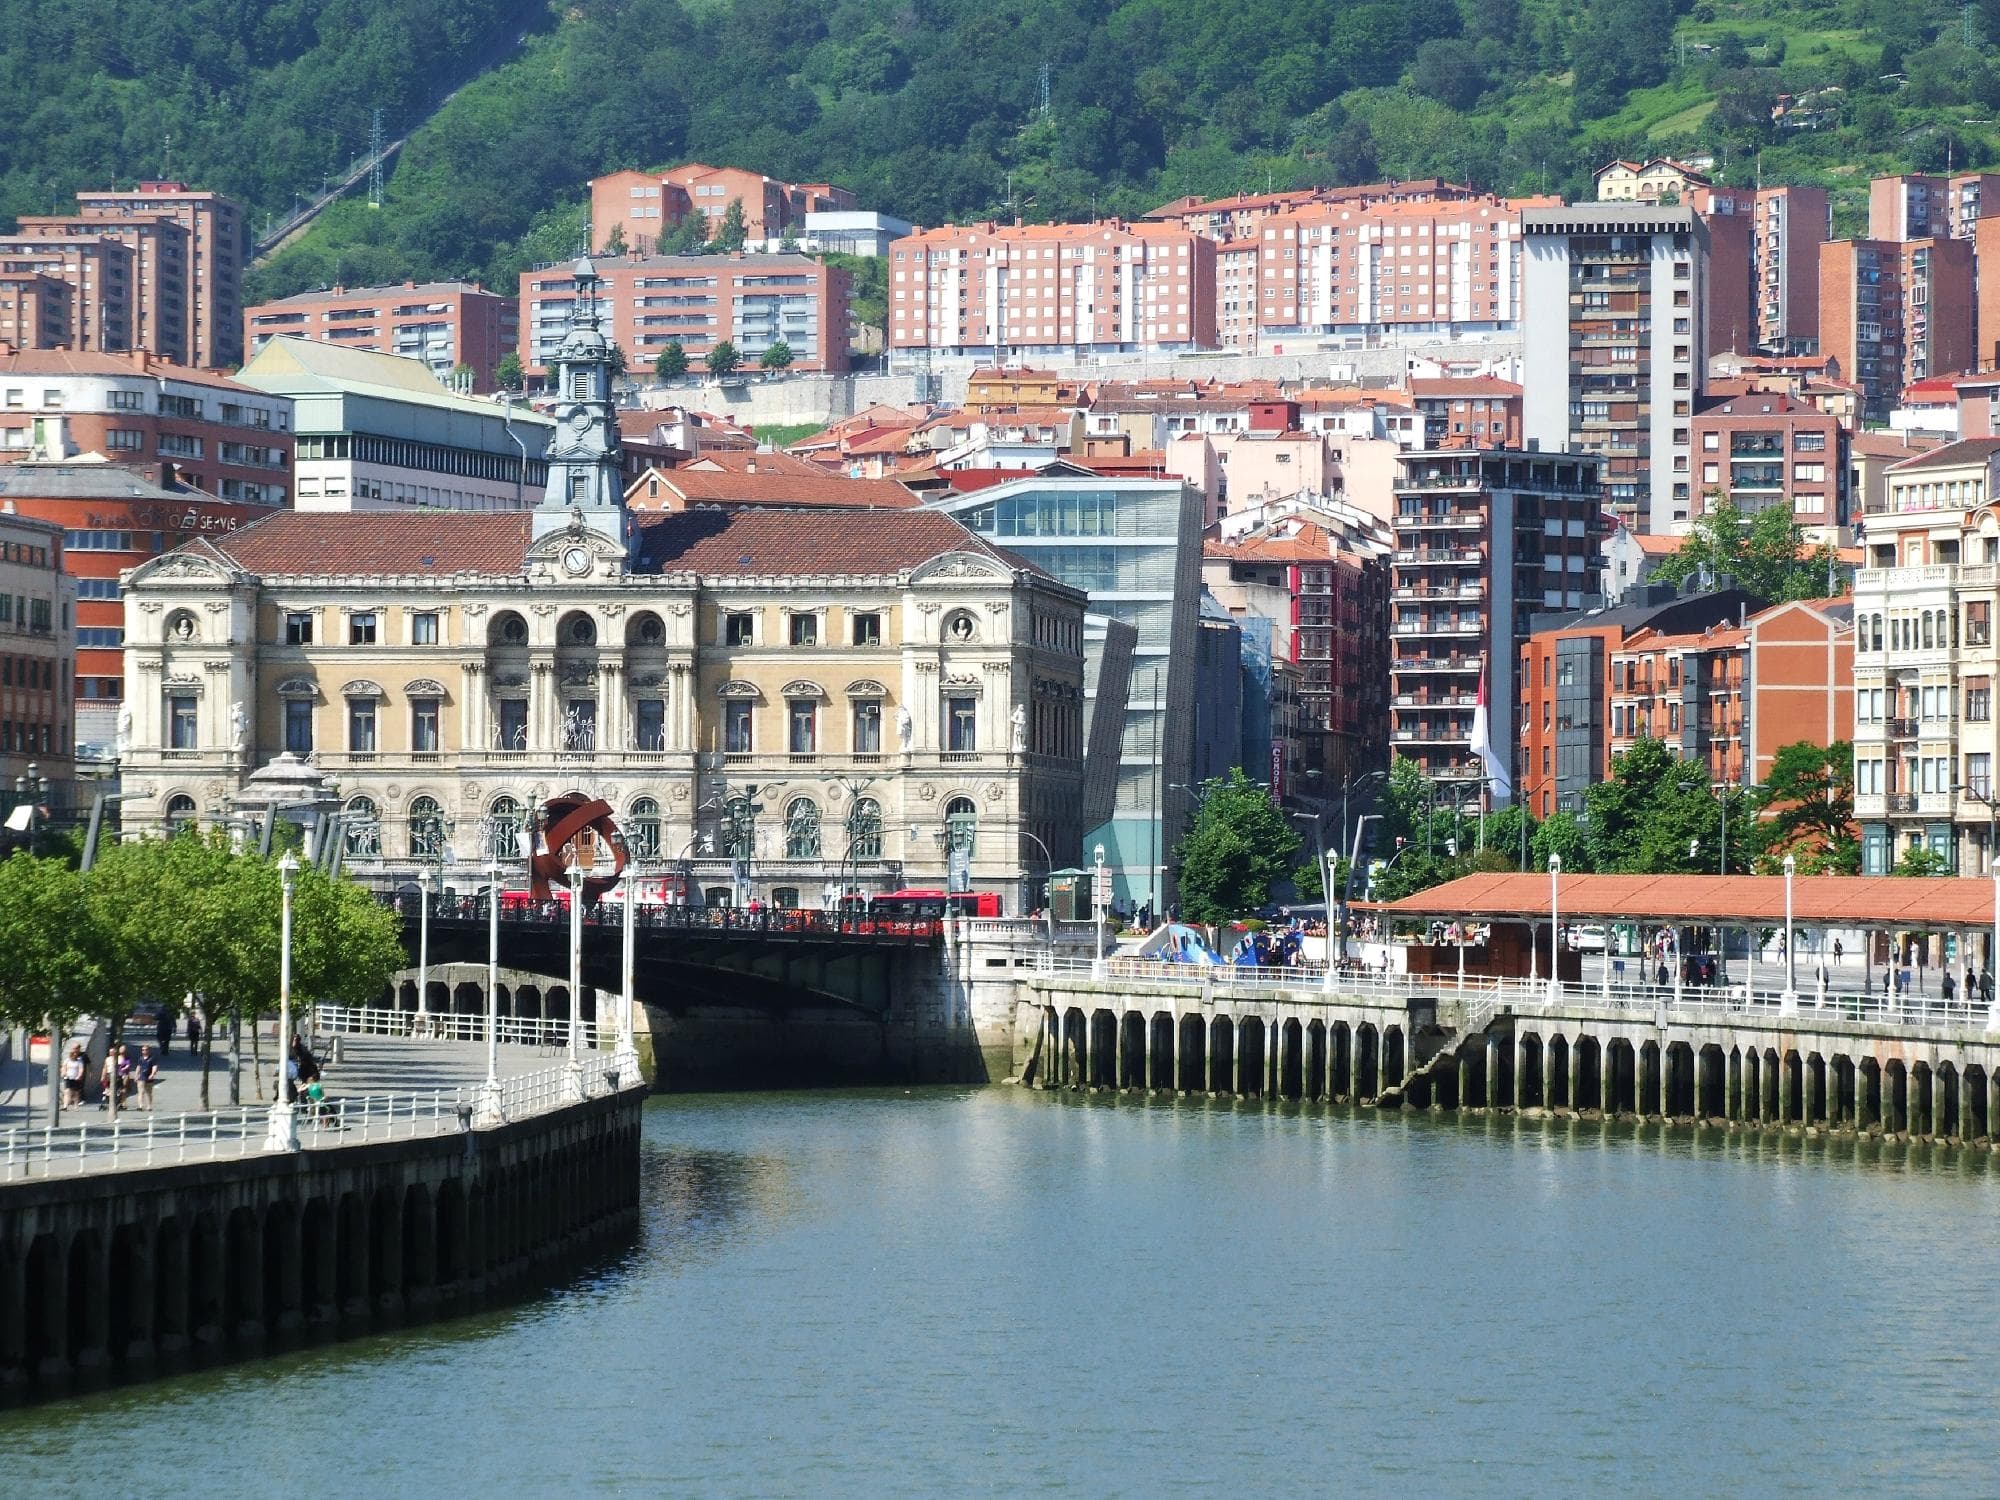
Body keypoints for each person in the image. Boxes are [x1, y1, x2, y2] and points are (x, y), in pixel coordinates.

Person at [60, 1043, 85, 1107]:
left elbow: (81, 1069)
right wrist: (64, 1073)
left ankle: (76, 1105)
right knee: (67, 1091)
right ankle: (65, 1106)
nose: (74, 1055)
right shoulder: (67, 1060)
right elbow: (64, 1067)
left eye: (75, 1054)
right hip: (68, 1078)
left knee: (76, 1092)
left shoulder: (79, 1061)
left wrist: (79, 1076)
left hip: (76, 1078)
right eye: (72, 1054)